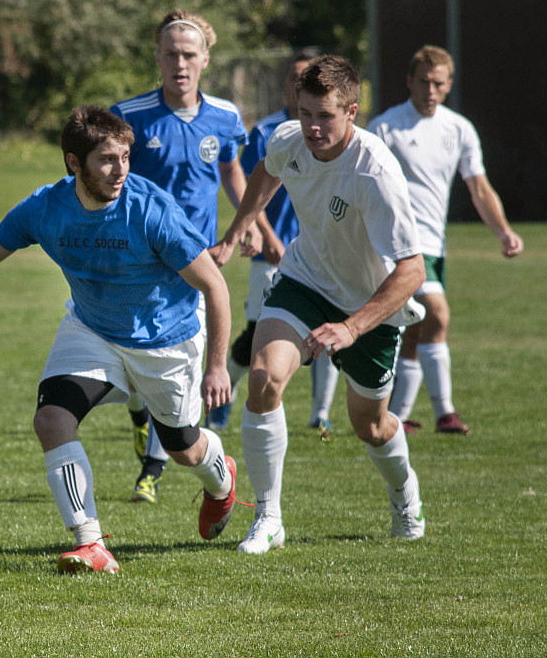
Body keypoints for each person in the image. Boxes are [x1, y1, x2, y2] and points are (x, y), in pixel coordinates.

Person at [0, 105, 236, 574]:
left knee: (183, 448)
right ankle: (90, 542)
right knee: (52, 419)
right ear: (74, 163)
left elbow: (214, 286)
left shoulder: (152, 209)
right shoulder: (45, 207)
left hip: (166, 340)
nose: (120, 170)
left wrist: (217, 365)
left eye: (124, 157)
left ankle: (222, 481)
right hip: (93, 329)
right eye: (106, 159)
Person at [213, 55, 428, 554]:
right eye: (305, 112)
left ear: (352, 111)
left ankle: (404, 492)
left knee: (369, 427)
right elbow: (266, 173)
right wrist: (238, 229)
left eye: (325, 115)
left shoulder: (374, 173)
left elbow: (412, 271)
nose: (312, 126)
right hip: (304, 281)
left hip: (370, 306)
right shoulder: (289, 138)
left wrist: (351, 328)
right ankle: (268, 517)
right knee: (264, 380)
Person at [110, 9, 254, 504]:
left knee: (176, 369)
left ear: (205, 59)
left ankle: (153, 465)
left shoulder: (226, 117)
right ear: (157, 56)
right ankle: (139, 418)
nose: (179, 62)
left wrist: (245, 226)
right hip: (136, 263)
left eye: (188, 54)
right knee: (133, 374)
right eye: (170, 53)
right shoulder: (128, 117)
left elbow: (233, 173)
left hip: (194, 264)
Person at [369, 45, 524, 436]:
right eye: (423, 81)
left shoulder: (458, 129)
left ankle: (400, 416)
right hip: (394, 243)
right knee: (436, 313)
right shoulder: (386, 127)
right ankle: (445, 413)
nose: (430, 89)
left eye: (438, 83)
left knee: (415, 326)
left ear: (449, 84)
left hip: (433, 245)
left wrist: (503, 231)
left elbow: (480, 188)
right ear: (409, 80)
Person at [206, 52, 341, 439]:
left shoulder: (333, 136)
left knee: (327, 334)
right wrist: (266, 235)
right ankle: (220, 403)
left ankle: (320, 413)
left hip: (321, 257)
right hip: (273, 252)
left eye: (309, 79)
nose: (301, 86)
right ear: (288, 85)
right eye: (296, 79)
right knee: (256, 335)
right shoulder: (268, 132)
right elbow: (253, 189)